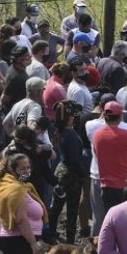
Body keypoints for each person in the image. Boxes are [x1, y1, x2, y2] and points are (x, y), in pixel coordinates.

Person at [94, 101, 127, 213]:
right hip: (124, 186)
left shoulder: (97, 135)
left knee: (112, 221)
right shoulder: (126, 135)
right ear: (120, 117)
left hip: (106, 187)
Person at [49, 100, 88, 244]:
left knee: (57, 206)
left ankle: (50, 232)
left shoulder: (60, 131)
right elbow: (75, 161)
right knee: (72, 208)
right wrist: (83, 174)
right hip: (71, 175)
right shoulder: (71, 135)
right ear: (70, 117)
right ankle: (71, 240)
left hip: (61, 171)